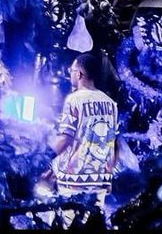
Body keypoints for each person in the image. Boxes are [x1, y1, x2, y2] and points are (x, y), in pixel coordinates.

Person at [48, 52, 120, 213]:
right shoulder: (110, 103)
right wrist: (109, 175)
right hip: (100, 180)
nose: (70, 75)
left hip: (73, 181)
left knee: (67, 222)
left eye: (71, 71)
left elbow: (65, 140)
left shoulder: (74, 99)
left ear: (79, 74)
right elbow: (114, 143)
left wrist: (45, 153)